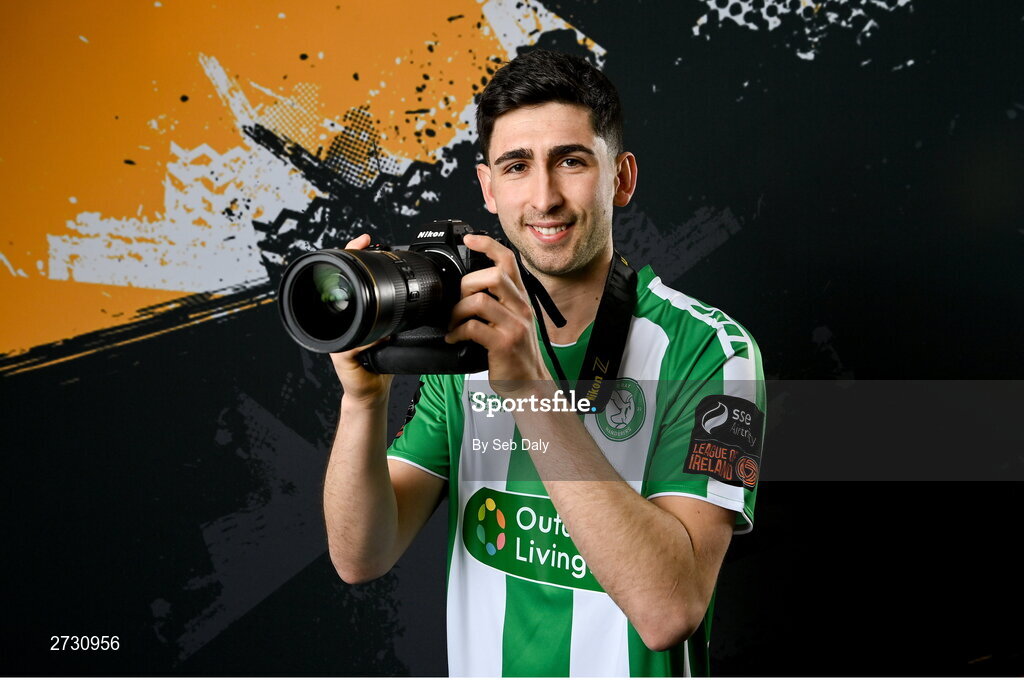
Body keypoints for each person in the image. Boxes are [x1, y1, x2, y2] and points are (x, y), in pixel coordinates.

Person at [323, 49, 766, 677]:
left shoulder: (713, 353)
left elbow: (670, 610)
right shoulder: (465, 342)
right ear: (488, 188)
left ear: (622, 177)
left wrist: (527, 386)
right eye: (516, 165)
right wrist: (362, 402)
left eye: (572, 161)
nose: (544, 196)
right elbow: (361, 555)